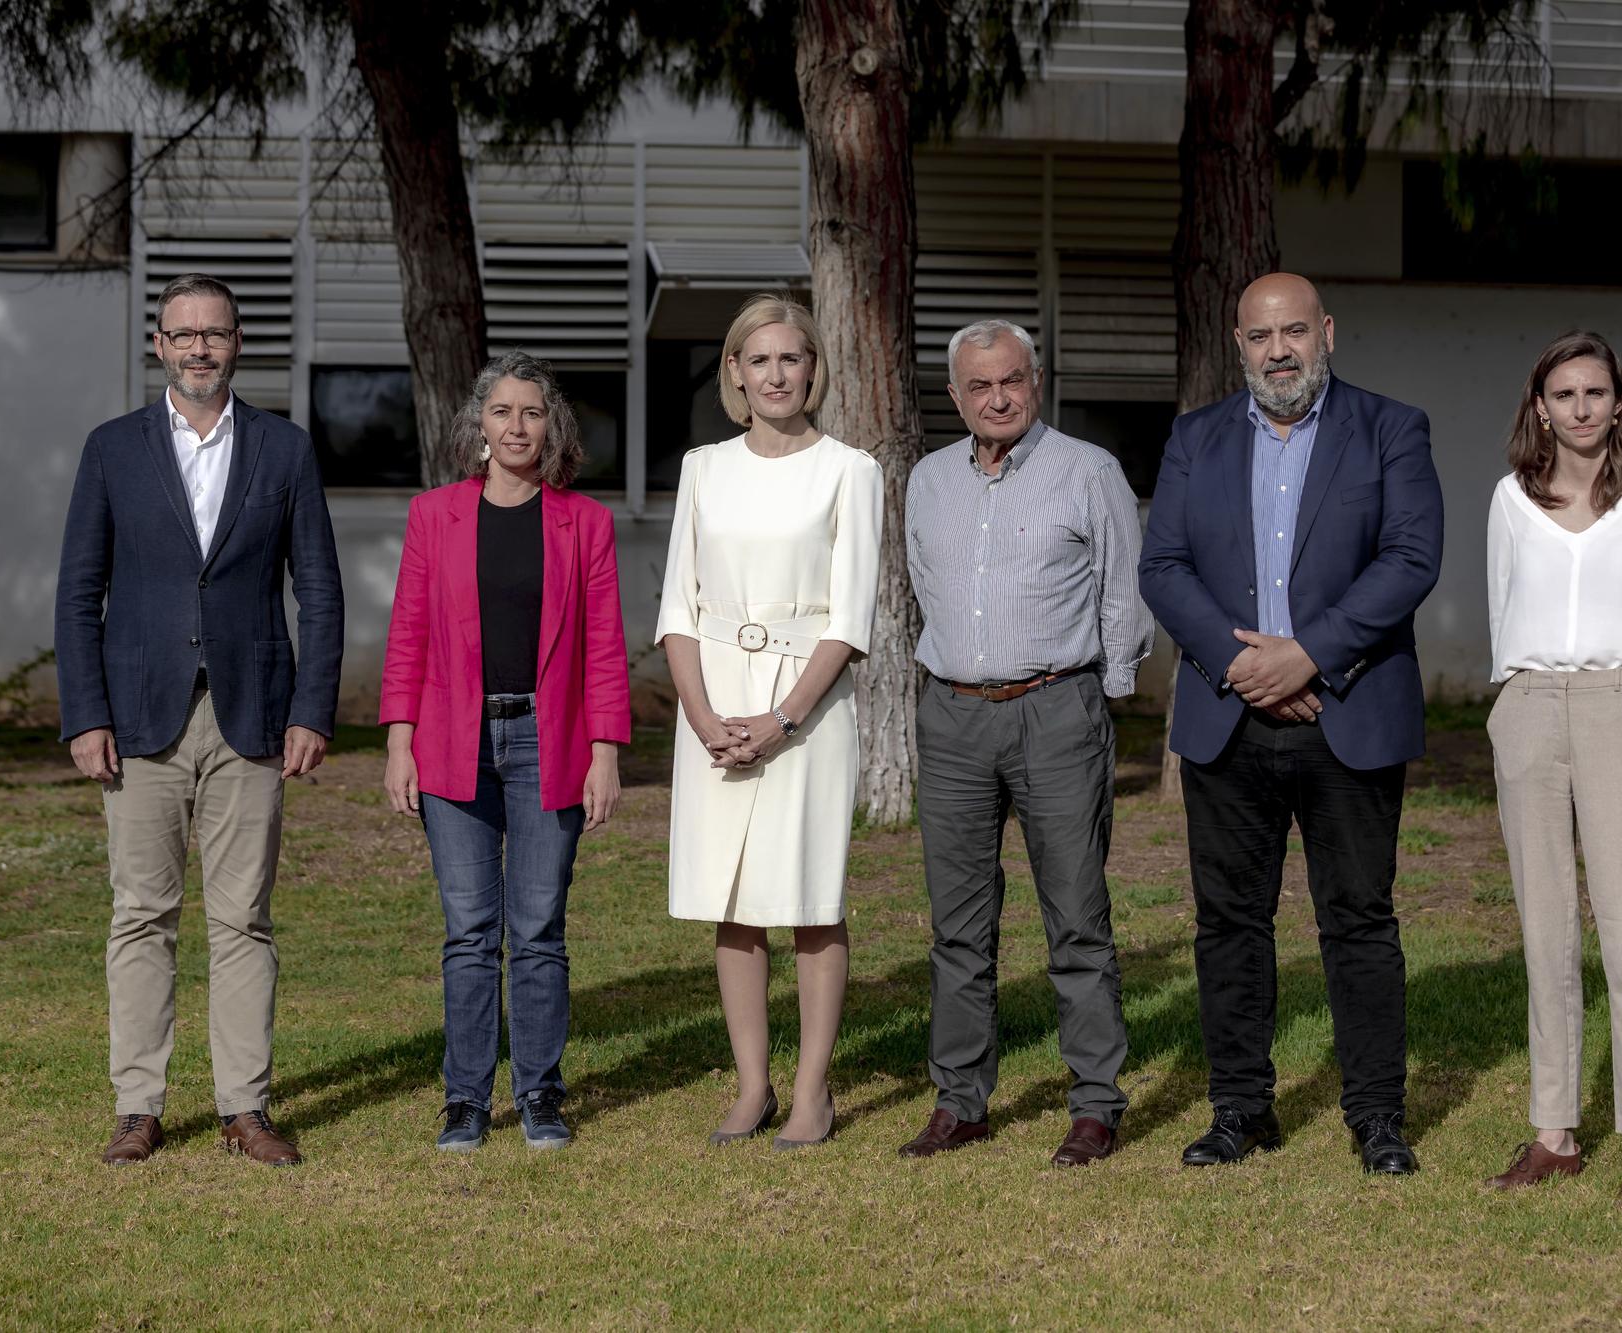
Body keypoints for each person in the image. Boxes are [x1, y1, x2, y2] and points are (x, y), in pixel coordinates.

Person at [1138, 272, 1443, 1175]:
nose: (1280, 350)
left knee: (1358, 919)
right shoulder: (1195, 438)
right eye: (1262, 335)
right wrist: (1244, 666)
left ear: (1328, 334)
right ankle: (1239, 1108)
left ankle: (1377, 1115)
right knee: (1230, 921)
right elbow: (1165, 566)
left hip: (1348, 711)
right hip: (1229, 715)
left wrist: (1308, 655)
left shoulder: (1392, 428)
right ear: (1238, 345)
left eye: (1296, 332)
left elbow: (1411, 556)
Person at [56, 272, 343, 1167]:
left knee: (243, 917)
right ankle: (138, 1105)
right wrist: (84, 714)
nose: (198, 348)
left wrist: (312, 708)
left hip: (252, 712)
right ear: (158, 345)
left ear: (238, 342)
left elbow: (321, 592)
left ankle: (244, 1108)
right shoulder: (113, 449)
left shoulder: (284, 450)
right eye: (182, 334)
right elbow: (78, 593)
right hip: (138, 716)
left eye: (213, 333)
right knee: (141, 913)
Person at [899, 318, 1153, 1169]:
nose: (998, 398)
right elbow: (922, 587)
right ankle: (960, 1100)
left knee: (1076, 918)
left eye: (1012, 380)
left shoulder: (1089, 471)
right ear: (955, 397)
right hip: (955, 717)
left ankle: (1093, 1103)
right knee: (958, 927)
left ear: (1035, 381)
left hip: (1057, 710)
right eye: (980, 386)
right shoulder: (928, 481)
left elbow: (1124, 590)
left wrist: (1105, 698)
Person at [380, 352, 631, 1153]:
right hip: (452, 739)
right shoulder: (435, 515)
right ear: (479, 427)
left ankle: (539, 1091)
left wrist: (605, 751)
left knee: (539, 925)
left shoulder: (583, 522)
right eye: (501, 411)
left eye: (531, 412)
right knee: (468, 929)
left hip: (547, 740)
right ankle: (464, 1098)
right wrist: (399, 743)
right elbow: (409, 634)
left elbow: (603, 647)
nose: (516, 425)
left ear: (550, 426)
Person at [655, 294, 882, 1151]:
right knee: (735, 901)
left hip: (808, 712)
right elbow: (678, 605)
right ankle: (752, 1086)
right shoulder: (704, 467)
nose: (777, 374)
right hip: (712, 704)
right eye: (760, 360)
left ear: (813, 369)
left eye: (792, 358)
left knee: (810, 897)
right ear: (735, 374)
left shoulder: (850, 469)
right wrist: (705, 714)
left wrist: (784, 718)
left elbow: (850, 619)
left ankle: (813, 1094)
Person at [1481, 331, 1622, 1200]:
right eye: (1563, 393)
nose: (1579, 408)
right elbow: (1501, 607)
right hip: (1530, 707)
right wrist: (1518, 703)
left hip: (1619, 703)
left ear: (1617, 400)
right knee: (1545, 928)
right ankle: (1554, 1131)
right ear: (1540, 405)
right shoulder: (1509, 498)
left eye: (1594, 392)